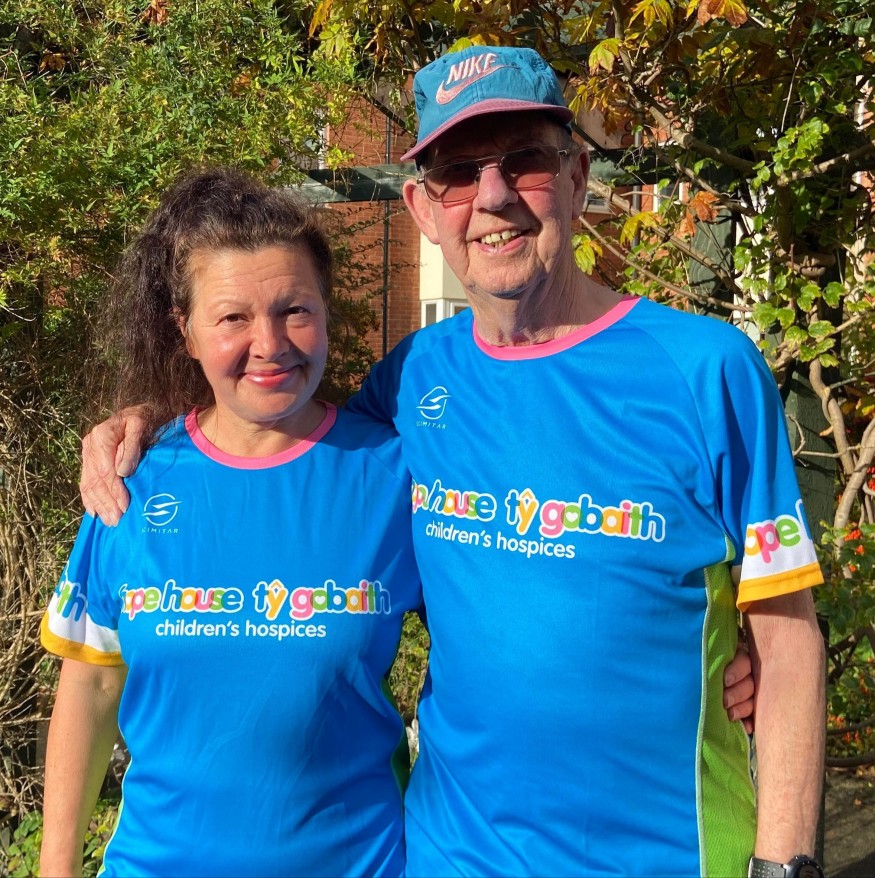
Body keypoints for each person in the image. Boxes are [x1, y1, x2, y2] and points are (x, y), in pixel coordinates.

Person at [75, 47, 803, 878]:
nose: (491, 197)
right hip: (450, 855)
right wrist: (154, 423)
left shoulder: (707, 371)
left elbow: (787, 639)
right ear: (422, 207)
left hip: (667, 855)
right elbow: (278, 437)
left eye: (523, 161)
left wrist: (784, 862)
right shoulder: (412, 379)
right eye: (457, 173)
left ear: (576, 175)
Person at [40, 168, 420, 877]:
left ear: (328, 313)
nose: (269, 343)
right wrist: (55, 869)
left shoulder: (394, 476)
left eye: (294, 310)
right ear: (184, 331)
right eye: (232, 318)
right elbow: (89, 689)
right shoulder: (129, 480)